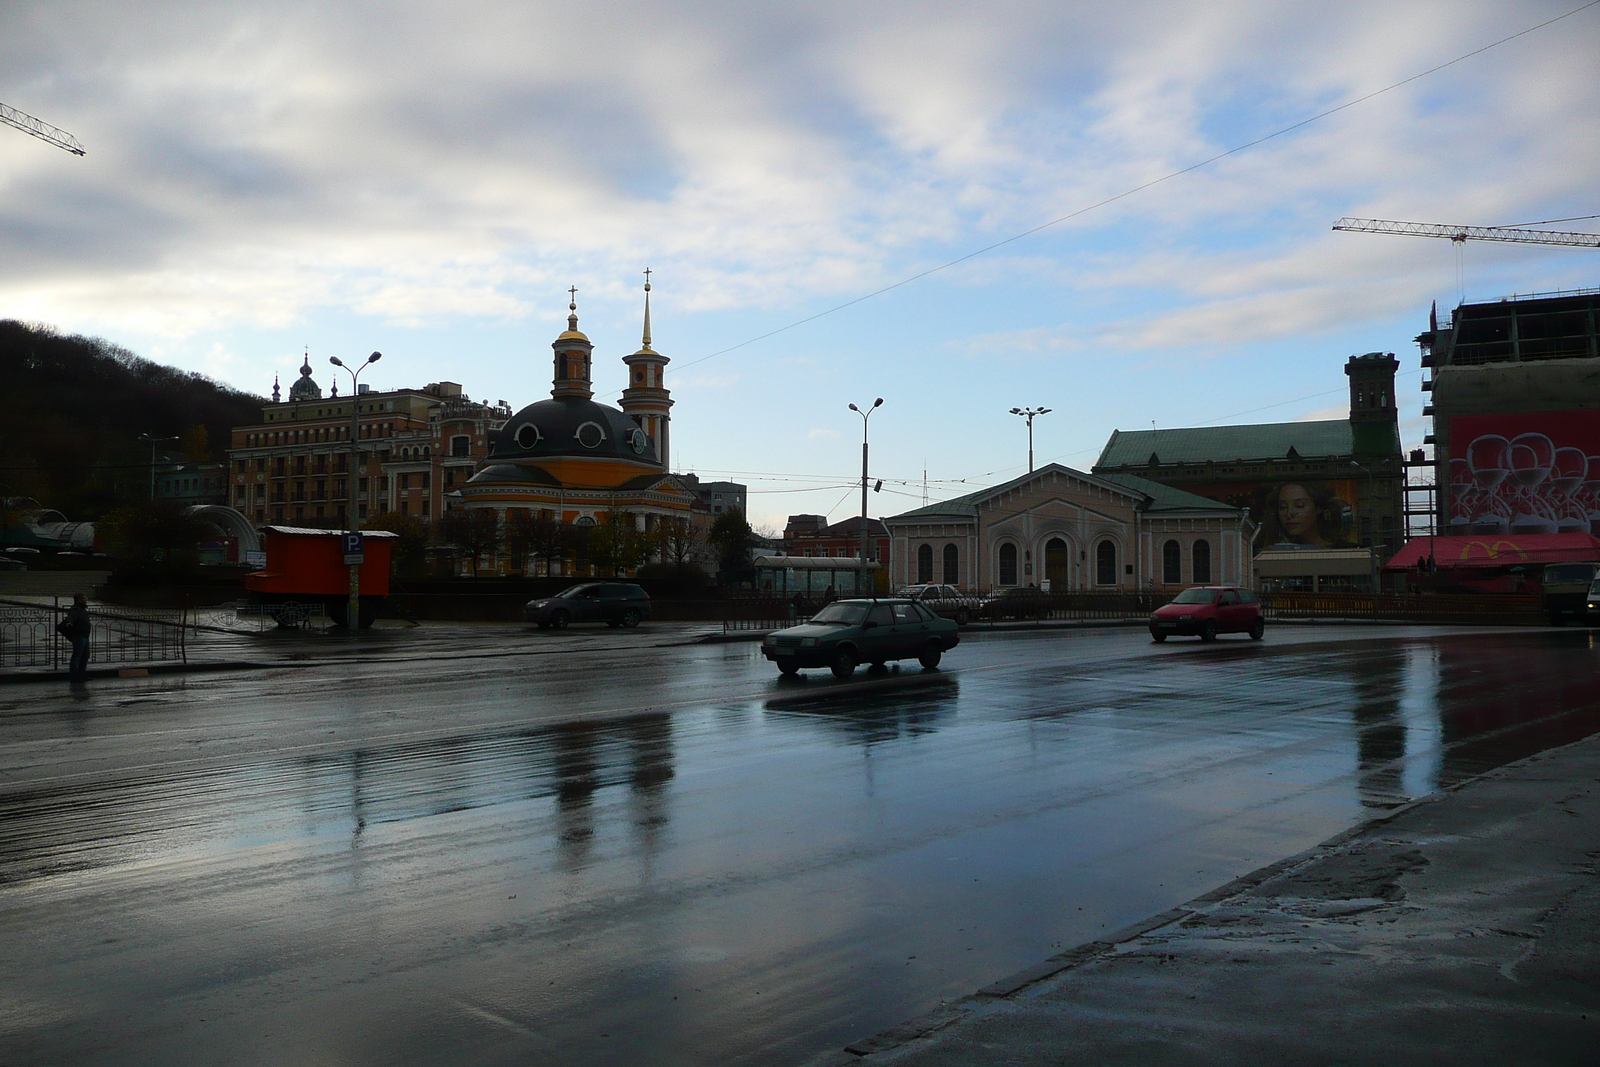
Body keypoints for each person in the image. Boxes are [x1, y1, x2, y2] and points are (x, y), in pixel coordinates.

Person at [57, 593, 92, 683]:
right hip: (79, 636)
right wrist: (69, 622)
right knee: (77, 656)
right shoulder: (75, 609)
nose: (86, 599)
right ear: (79, 599)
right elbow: (71, 618)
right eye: (84, 598)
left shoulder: (82, 609)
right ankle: (75, 676)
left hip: (84, 635)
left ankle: (82, 675)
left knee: (85, 656)